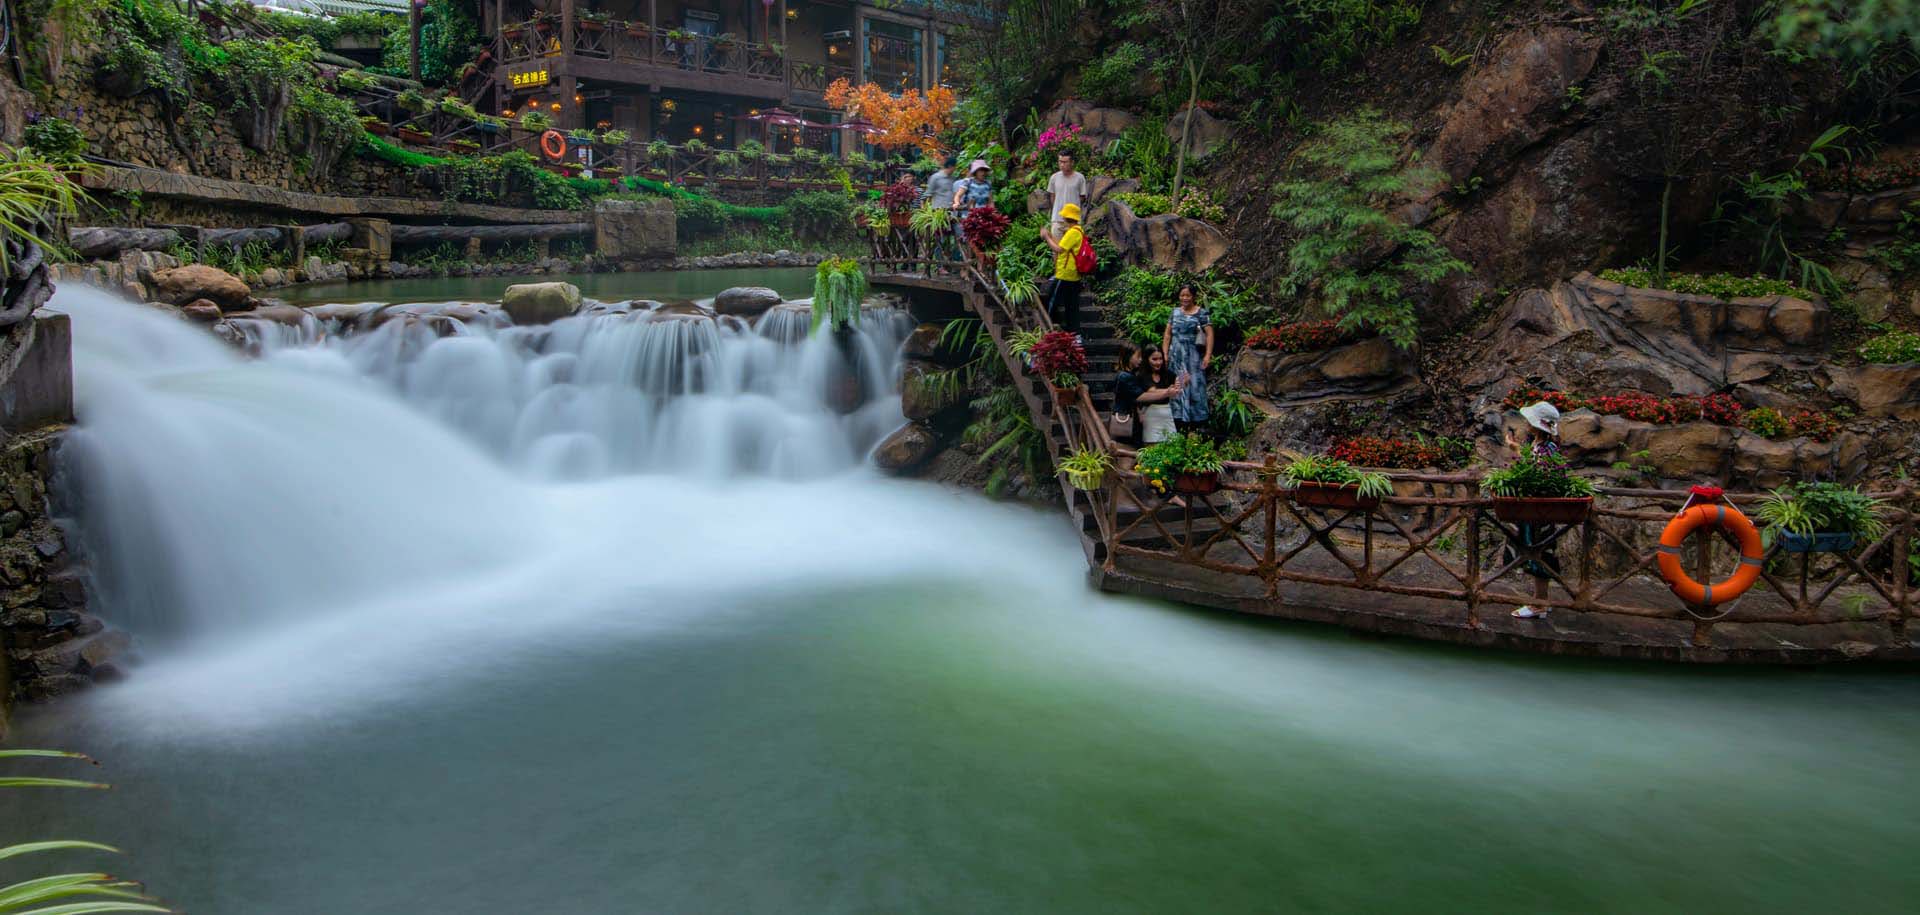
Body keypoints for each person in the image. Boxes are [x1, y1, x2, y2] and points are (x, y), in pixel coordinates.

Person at [1503, 401, 1563, 620]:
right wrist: (1516, 449)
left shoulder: (1548, 448)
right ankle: (1540, 601)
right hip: (1532, 510)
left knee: (1539, 554)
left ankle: (1539, 604)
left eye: (1530, 420)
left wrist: (1517, 451)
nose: (1526, 423)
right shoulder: (1537, 444)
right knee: (1533, 553)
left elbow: (1540, 472)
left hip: (1540, 511)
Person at [1162, 284, 1213, 433]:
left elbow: (1210, 334)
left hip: (1193, 356)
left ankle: (1197, 422)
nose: (1184, 298)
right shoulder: (1174, 312)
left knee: (1195, 384)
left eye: (1188, 295)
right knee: (1177, 383)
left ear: (1193, 296)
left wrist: (1208, 355)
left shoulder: (1201, 313)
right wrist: (1165, 353)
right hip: (1176, 355)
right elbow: (1167, 334)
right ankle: (1178, 420)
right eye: (1182, 295)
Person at [1113, 344, 1183, 445]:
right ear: (1129, 357)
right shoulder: (1125, 377)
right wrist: (1166, 393)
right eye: (1138, 356)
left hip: (1133, 419)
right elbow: (1141, 396)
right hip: (1126, 419)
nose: (1140, 360)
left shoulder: (1131, 374)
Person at [1041, 203, 1085, 331]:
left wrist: (1046, 238)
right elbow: (1063, 246)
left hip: (1065, 274)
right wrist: (1051, 236)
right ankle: (1074, 333)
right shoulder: (1077, 230)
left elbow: (1058, 249)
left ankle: (1047, 328)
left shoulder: (1073, 232)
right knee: (1071, 306)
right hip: (1073, 275)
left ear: (1066, 218)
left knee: (1051, 300)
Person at [951, 159, 994, 247]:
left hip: (983, 216)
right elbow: (958, 196)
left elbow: (990, 201)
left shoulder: (987, 184)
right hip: (969, 216)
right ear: (975, 172)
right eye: (980, 170)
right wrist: (956, 203)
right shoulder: (968, 182)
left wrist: (993, 213)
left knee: (985, 239)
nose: (983, 173)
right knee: (970, 240)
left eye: (984, 170)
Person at [1046, 151, 1090, 238]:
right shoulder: (1054, 177)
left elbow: (1082, 197)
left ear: (1072, 162)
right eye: (1060, 162)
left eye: (1065, 162)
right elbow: (1052, 196)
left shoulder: (1079, 178)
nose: (1062, 165)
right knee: (1056, 245)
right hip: (1057, 219)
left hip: (1073, 220)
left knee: (1073, 245)